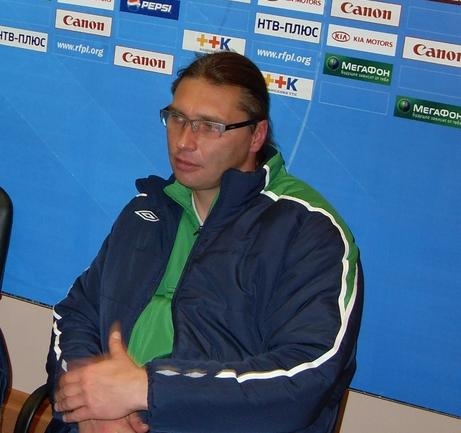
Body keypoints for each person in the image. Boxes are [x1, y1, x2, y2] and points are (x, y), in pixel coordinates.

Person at [47, 51, 363, 433]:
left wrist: (146, 390)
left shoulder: (308, 231)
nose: (184, 141)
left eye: (210, 126)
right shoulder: (147, 211)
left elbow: (309, 375)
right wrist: (89, 409)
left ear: (256, 135)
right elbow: (74, 313)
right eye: (177, 118)